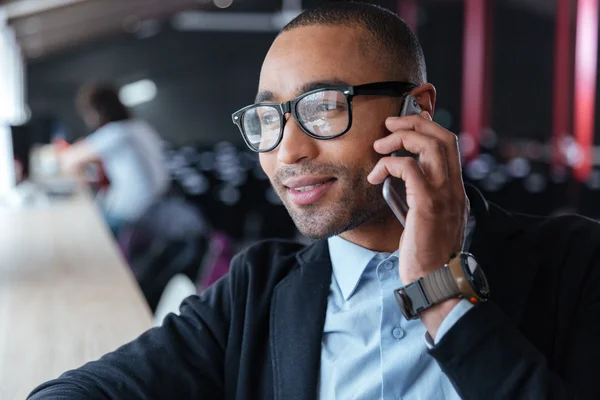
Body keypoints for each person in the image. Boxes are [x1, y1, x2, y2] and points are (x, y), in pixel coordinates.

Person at [30, 3, 600, 399]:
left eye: (324, 106)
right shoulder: (259, 288)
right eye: (267, 118)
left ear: (417, 110)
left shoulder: (574, 263)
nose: (288, 151)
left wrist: (440, 290)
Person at [59, 83, 170, 237]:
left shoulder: (115, 132)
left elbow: (68, 160)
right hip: (159, 203)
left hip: (134, 211)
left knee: (79, 231)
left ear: (98, 111)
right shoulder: (140, 127)